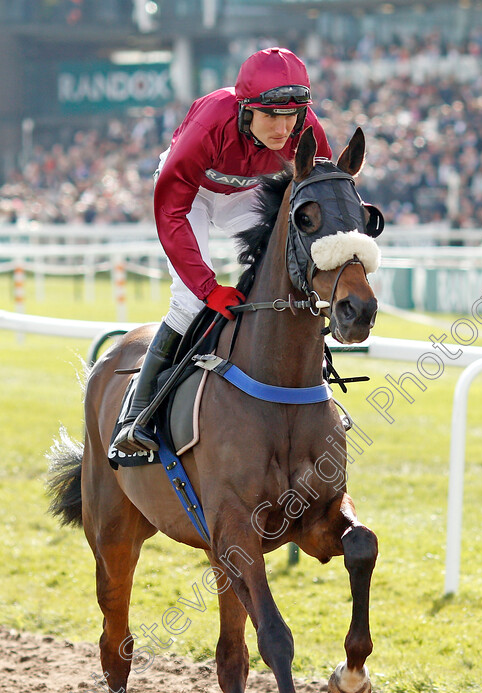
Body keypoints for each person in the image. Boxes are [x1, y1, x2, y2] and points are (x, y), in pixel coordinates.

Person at [112, 47, 332, 454]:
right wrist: (208, 287)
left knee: (288, 268)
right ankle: (136, 414)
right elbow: (172, 212)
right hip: (188, 193)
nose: (283, 128)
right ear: (245, 109)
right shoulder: (209, 122)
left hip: (245, 193)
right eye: (271, 116)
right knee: (190, 304)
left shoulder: (308, 132)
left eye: (292, 115)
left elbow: (321, 199)